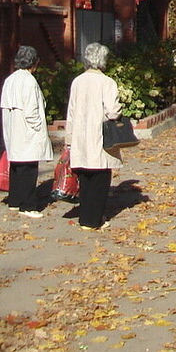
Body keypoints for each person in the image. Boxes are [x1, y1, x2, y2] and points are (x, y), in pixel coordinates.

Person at [65, 42, 121, 230]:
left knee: (85, 178)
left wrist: (69, 139)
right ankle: (94, 219)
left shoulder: (77, 81)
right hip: (100, 135)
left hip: (80, 135)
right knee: (100, 179)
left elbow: (71, 111)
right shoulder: (107, 82)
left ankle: (85, 215)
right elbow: (112, 112)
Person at [0, 45, 53, 218]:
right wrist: (38, 127)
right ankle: (28, 205)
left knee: (16, 166)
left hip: (13, 129)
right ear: (34, 63)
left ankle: (14, 200)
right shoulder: (29, 81)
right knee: (29, 168)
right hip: (28, 131)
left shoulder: (10, 79)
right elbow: (32, 111)